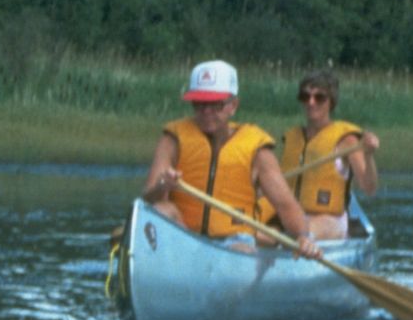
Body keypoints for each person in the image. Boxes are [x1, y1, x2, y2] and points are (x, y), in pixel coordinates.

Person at [140, 59, 322, 259]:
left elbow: (285, 204)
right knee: (162, 210)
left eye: (215, 104)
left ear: (233, 106)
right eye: (199, 104)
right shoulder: (173, 139)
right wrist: (162, 186)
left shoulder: (258, 150)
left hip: (234, 240)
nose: (206, 111)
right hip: (184, 235)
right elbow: (147, 200)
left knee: (241, 250)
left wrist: (303, 237)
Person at [279, 69, 380, 241]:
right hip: (293, 218)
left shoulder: (346, 141)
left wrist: (369, 156)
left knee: (302, 232)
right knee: (255, 234)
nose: (311, 102)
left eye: (319, 97)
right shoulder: (293, 138)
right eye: (305, 96)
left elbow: (369, 188)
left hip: (329, 220)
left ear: (331, 102)